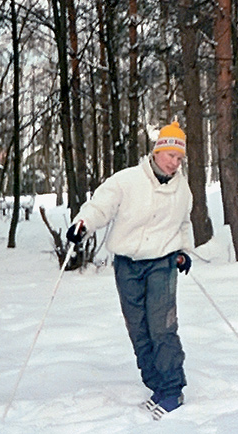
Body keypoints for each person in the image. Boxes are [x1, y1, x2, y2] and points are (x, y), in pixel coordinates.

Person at [65, 121, 194, 418]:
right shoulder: (127, 180)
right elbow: (100, 207)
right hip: (127, 264)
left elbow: (184, 222)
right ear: (157, 151)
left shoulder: (182, 190)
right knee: (138, 328)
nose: (174, 163)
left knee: (162, 326)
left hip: (162, 263)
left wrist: (184, 252)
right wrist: (83, 224)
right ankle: (157, 386)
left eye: (179, 159)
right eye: (170, 156)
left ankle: (173, 390)